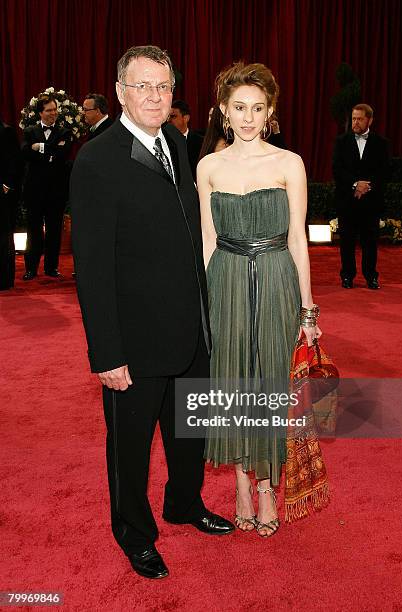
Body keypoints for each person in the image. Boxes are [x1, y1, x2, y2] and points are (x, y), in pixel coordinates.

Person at [70, 45, 233, 581]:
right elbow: (91, 268)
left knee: (190, 436)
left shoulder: (178, 144)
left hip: (189, 332)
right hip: (134, 344)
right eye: (141, 86)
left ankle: (184, 505)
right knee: (131, 451)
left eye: (162, 87)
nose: (154, 96)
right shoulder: (96, 160)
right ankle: (134, 536)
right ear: (119, 93)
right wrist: (107, 352)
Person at [198, 62, 329, 538]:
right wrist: (205, 305)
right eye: (239, 108)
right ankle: (239, 484)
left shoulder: (287, 162)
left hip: (276, 275)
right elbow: (208, 241)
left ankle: (269, 486)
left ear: (270, 111)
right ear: (223, 111)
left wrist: (308, 309)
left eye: (257, 108)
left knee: (271, 379)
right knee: (232, 379)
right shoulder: (208, 166)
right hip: (226, 278)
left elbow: (298, 239)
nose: (247, 117)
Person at [333, 103, 390, 289]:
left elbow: (384, 171)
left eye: (360, 119)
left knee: (370, 241)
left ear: (370, 120)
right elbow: (337, 169)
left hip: (371, 202)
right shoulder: (341, 141)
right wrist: (356, 184)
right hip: (347, 200)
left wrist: (367, 186)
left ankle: (371, 276)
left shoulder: (381, 143)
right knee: (347, 241)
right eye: (354, 118)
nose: (355, 122)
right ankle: (347, 276)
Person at [21, 95, 72, 280]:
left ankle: (51, 268)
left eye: (55, 109)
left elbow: (62, 154)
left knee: (54, 230)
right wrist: (50, 151)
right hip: (35, 190)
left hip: (56, 191)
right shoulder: (29, 131)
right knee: (33, 230)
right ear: (40, 113)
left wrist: (40, 147)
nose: (53, 113)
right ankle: (31, 268)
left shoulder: (64, 132)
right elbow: (25, 152)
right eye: (49, 110)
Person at [0, 118, 22, 290]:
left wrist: (6, 185)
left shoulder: (7, 131)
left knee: (3, 237)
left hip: (2, 195)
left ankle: (4, 279)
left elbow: (15, 161)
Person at [168, 99, 203, 179]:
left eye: (173, 116)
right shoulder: (162, 141)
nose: (169, 120)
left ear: (186, 118)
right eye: (168, 117)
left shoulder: (200, 142)